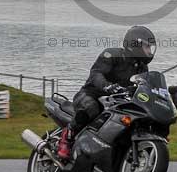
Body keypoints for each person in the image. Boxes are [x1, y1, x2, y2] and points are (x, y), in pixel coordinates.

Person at [56, 25, 156, 160]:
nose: (149, 51)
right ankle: (67, 137)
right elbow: (96, 73)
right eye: (147, 47)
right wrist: (107, 86)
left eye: (150, 47)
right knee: (92, 107)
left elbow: (144, 86)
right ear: (135, 44)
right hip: (91, 95)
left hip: (115, 102)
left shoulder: (142, 67)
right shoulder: (112, 54)